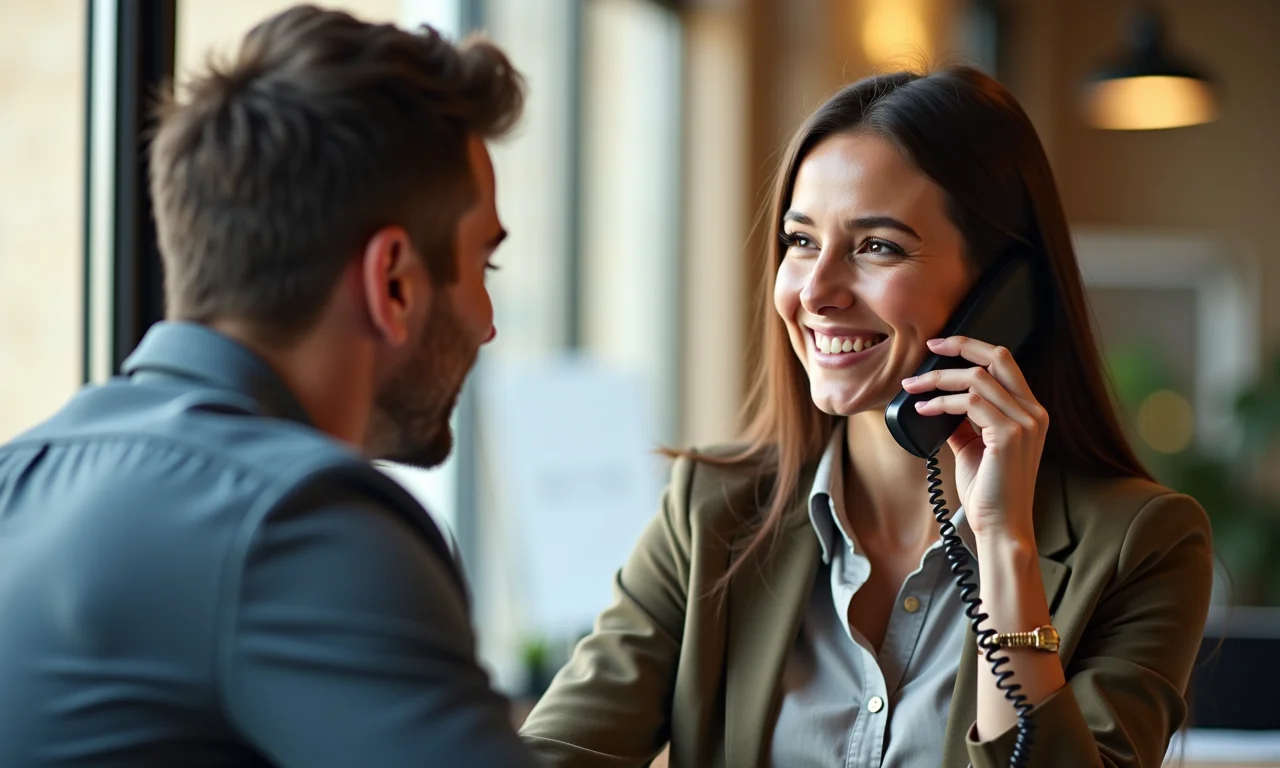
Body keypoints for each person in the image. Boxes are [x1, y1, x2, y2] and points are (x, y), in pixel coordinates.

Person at [519, 65, 1214, 768]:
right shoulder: (711, 513)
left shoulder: (1144, 546)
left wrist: (1006, 552)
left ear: (1008, 289)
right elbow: (553, 751)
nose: (816, 292)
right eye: (800, 241)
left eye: (877, 246)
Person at [0, 6, 540, 767]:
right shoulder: (299, 523)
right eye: (484, 264)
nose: (487, 324)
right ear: (393, 282)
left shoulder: (17, 477)